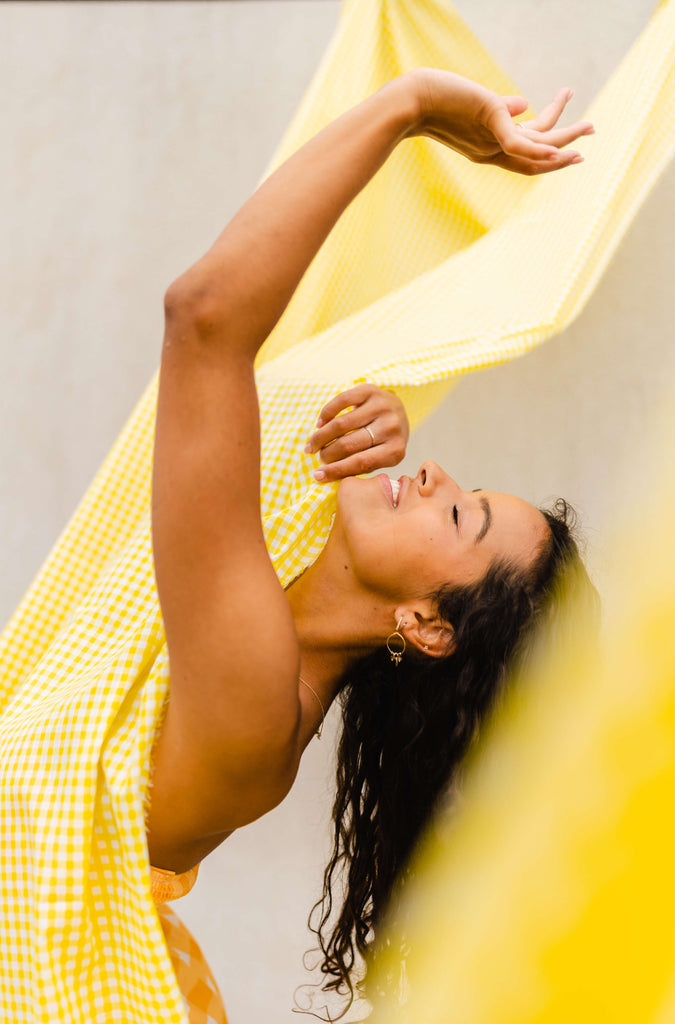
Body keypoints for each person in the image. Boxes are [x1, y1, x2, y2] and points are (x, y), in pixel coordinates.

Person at [146, 68, 597, 1016]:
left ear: (428, 627)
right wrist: (350, 421)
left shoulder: (252, 708)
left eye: (460, 517)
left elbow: (204, 322)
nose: (436, 477)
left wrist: (410, 106)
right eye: (460, 486)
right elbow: (219, 435)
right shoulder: (281, 584)